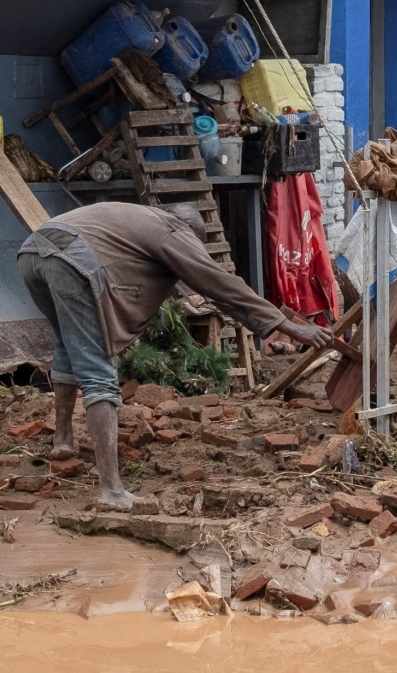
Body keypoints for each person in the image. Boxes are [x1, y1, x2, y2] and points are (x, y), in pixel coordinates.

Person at [18, 202, 330, 510]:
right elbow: (221, 284)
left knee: (66, 345)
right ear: (192, 234)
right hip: (72, 262)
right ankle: (112, 491)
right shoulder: (172, 230)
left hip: (33, 252)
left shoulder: (139, 220)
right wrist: (284, 324)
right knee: (97, 368)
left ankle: (63, 440)